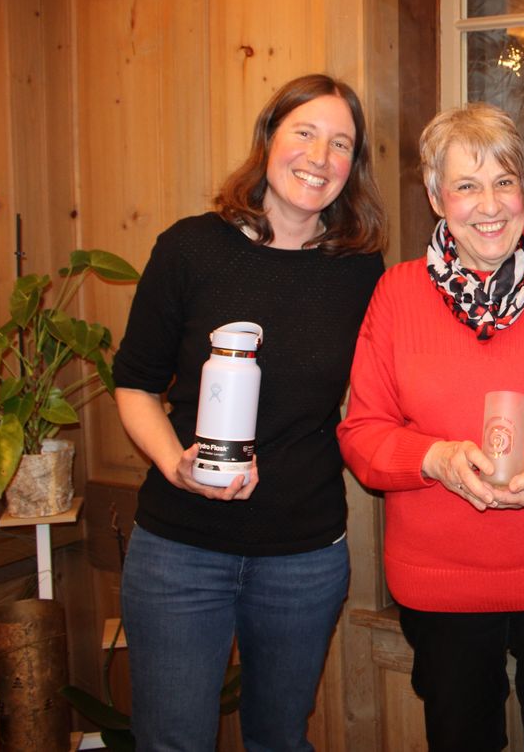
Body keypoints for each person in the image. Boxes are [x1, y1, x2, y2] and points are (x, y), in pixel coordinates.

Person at [112, 74, 387, 751]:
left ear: (353, 165)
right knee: (171, 741)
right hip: (180, 549)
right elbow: (134, 384)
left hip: (303, 555)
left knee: (280, 740)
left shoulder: (361, 272)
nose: (319, 157)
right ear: (268, 139)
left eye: (341, 144)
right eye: (304, 133)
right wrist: (174, 464)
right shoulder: (190, 248)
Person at [337, 103, 524, 752]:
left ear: (523, 189)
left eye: (503, 182)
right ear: (437, 198)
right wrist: (433, 459)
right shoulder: (397, 293)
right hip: (443, 584)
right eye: (466, 186)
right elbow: (362, 432)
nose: (489, 205)